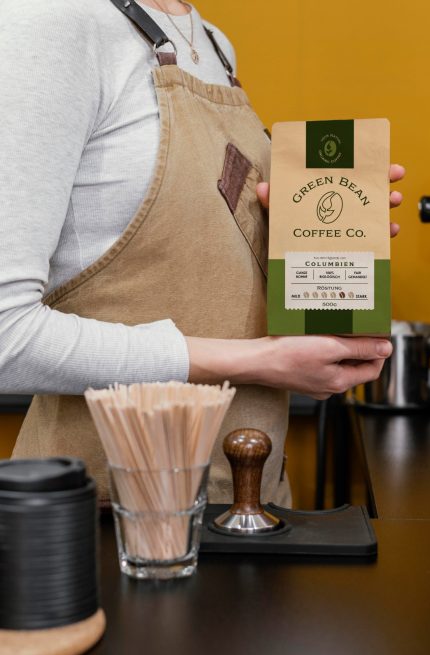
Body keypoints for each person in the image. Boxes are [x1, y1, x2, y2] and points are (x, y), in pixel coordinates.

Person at [0, 0, 404, 506]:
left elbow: (188, 261)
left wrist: (311, 235)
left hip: (251, 496)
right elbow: (5, 338)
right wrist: (260, 361)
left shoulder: (211, 42)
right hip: (109, 517)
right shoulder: (49, 21)